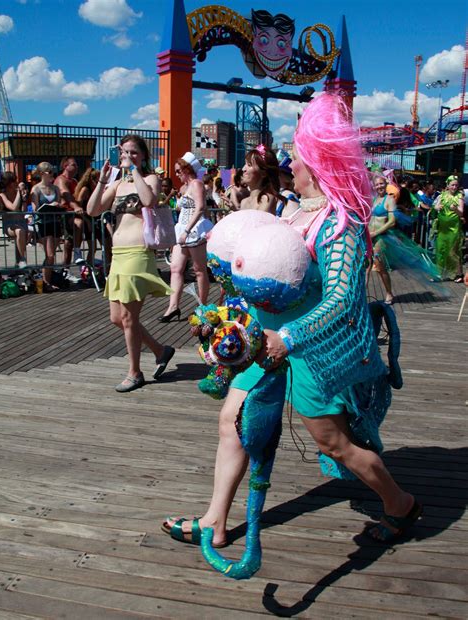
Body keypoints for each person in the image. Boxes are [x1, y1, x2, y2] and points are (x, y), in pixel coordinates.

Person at [162, 94, 421, 549]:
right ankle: (215, 522)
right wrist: (225, 317)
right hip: (266, 340)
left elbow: (342, 300)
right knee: (234, 420)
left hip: (315, 348)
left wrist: (291, 336)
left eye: (296, 159)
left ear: (317, 164)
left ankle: (400, 503)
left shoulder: (341, 226)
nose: (290, 166)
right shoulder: (292, 212)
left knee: (333, 442)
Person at [87, 134, 175, 392]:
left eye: (133, 152)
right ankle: (160, 350)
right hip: (119, 255)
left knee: (128, 317)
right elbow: (92, 209)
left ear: (143, 156)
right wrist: (103, 179)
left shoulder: (149, 179)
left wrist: (134, 170)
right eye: (124, 152)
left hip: (138, 253)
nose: (128, 156)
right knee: (118, 317)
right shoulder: (117, 184)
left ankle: (135, 372)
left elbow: (149, 201)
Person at [159, 152, 211, 323]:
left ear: (186, 169)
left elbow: (200, 208)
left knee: (199, 270)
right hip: (183, 229)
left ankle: (202, 306)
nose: (177, 174)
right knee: (175, 268)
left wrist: (187, 230)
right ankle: (173, 306)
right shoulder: (183, 188)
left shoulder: (197, 184)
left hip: (194, 229)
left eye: (178, 171)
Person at [31, 162, 63, 291]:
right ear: (42, 174)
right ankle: (46, 282)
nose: (52, 174)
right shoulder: (36, 189)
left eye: (52, 172)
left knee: (52, 255)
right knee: (49, 255)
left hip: (55, 221)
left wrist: (57, 205)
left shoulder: (55, 188)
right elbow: (35, 209)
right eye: (49, 172)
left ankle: (46, 280)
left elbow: (60, 203)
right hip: (43, 223)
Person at [431, 175, 465, 282]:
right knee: (440, 250)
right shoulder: (442, 195)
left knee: (453, 251)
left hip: (454, 229)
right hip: (442, 229)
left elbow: (461, 213)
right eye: (452, 185)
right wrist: (437, 207)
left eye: (456, 185)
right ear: (448, 185)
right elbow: (435, 206)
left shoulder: (459, 197)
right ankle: (438, 274)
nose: (454, 187)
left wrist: (455, 209)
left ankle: (458, 274)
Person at [369, 174, 396, 304]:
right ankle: (363, 294)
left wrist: (376, 233)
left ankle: (389, 292)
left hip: (381, 237)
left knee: (380, 266)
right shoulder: (373, 200)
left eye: (381, 183)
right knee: (366, 266)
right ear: (373, 186)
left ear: (386, 184)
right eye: (377, 184)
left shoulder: (389, 200)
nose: (379, 186)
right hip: (369, 236)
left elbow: (392, 222)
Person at [54, 156, 83, 276]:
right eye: (74, 165)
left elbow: (78, 197)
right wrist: (76, 207)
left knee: (70, 242)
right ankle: (66, 270)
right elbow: (67, 197)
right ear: (66, 166)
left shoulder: (75, 181)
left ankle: (69, 269)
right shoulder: (61, 180)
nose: (76, 167)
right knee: (67, 243)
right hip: (64, 214)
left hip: (74, 213)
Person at [0, 172, 29, 268]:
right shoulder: (2, 195)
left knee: (21, 233)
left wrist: (23, 199)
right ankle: (22, 259)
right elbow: (13, 207)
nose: (16, 183)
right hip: (9, 225)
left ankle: (19, 265)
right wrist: (19, 193)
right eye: (14, 181)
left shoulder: (18, 193)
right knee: (19, 231)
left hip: (21, 222)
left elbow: (24, 211)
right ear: (10, 183)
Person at [240, 145, 279, 213]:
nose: (243, 169)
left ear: (263, 173)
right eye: (244, 164)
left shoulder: (266, 199)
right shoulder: (243, 202)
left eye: (249, 165)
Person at [74, 168, 100, 265]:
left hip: (93, 219)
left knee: (94, 247)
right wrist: (86, 220)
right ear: (91, 180)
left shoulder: (96, 189)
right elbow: (78, 206)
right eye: (96, 181)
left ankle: (90, 267)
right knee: (92, 247)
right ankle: (88, 269)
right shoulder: (85, 190)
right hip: (86, 219)